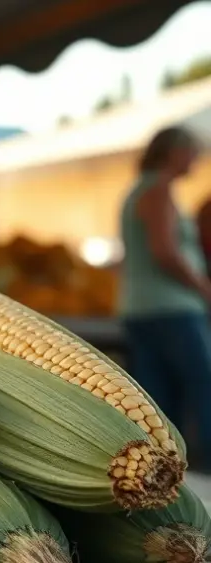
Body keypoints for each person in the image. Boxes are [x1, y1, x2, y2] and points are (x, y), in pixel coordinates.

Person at [118, 126, 211, 465]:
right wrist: (203, 287)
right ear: (174, 152)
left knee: (158, 400)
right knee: (204, 384)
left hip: (141, 307)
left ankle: (165, 468)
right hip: (171, 309)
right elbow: (165, 252)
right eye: (192, 152)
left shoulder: (140, 190)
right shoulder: (158, 190)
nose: (196, 160)